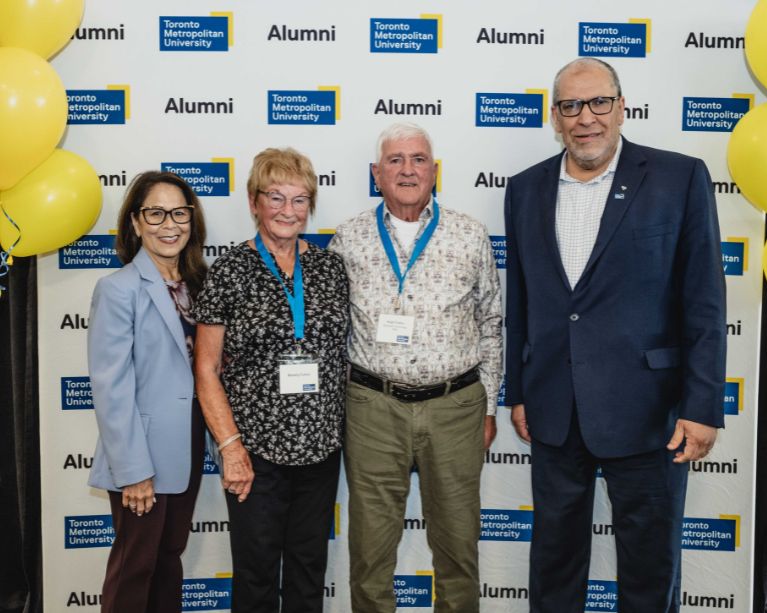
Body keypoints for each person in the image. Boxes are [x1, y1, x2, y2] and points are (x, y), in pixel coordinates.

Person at [504, 57, 727, 612]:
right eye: (571, 106)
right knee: (554, 569)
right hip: (556, 410)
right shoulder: (525, 189)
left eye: (599, 102)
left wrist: (703, 405)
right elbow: (522, 300)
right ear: (554, 117)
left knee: (650, 572)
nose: (586, 118)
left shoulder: (679, 177)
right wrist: (520, 390)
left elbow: (703, 302)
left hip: (651, 414)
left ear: (621, 106)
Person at [329, 122, 503, 612]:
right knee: (370, 554)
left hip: (455, 408)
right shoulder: (349, 239)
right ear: (376, 173)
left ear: (434, 170)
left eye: (418, 159)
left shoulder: (469, 235)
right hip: (373, 408)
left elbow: (491, 322)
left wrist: (486, 403)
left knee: (457, 549)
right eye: (396, 160)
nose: (408, 170)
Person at [193, 148, 349, 613]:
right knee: (256, 575)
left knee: (308, 572)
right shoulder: (229, 272)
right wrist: (231, 449)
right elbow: (206, 368)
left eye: (300, 200)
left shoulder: (329, 268)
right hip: (255, 453)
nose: (288, 210)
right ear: (253, 202)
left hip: (320, 449)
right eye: (276, 197)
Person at [87, 171, 208, 613]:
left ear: (191, 220)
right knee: (135, 567)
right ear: (136, 223)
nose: (169, 224)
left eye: (179, 212)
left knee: (168, 559)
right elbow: (111, 388)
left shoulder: (197, 286)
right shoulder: (118, 290)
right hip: (141, 455)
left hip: (188, 444)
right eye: (155, 213)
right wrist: (134, 471)